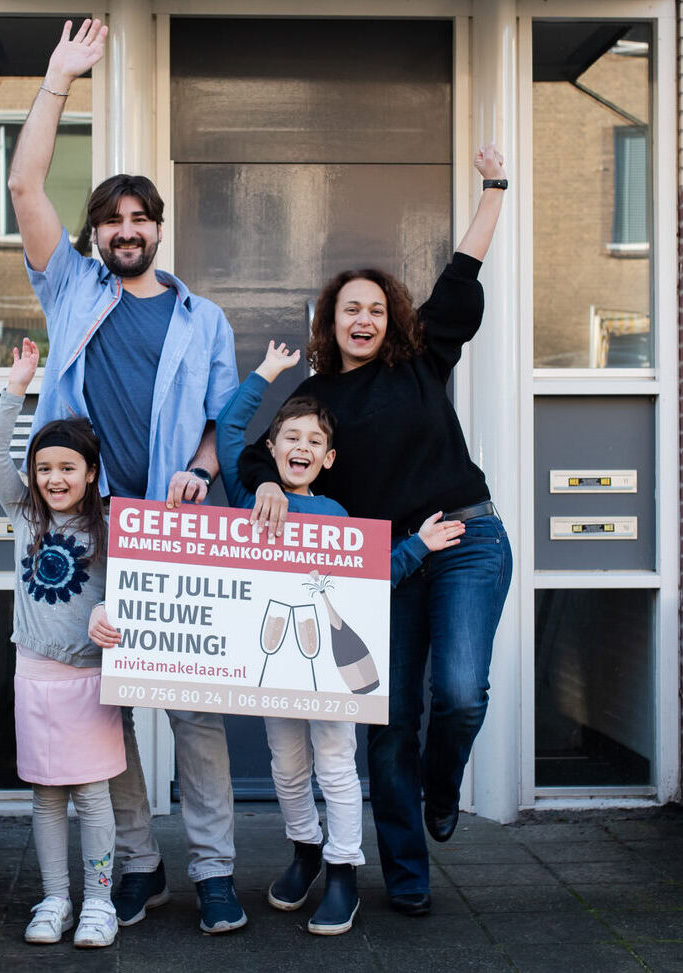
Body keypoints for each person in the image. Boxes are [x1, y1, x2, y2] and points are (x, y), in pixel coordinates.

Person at [9, 19, 244, 935]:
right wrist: (60, 79)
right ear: (95, 235)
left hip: (175, 533)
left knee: (195, 710)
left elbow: (229, 421)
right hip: (91, 531)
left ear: (157, 228)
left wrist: (198, 466)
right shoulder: (68, 289)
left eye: (140, 218)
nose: (126, 230)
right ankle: (138, 863)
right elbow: (26, 181)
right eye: (111, 220)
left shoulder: (203, 318)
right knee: (108, 708)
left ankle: (216, 870)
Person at [237, 146, 513, 918]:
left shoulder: (421, 360)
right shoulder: (316, 399)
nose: (363, 318)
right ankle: (407, 875)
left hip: (465, 541)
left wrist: (494, 186)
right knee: (387, 726)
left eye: (376, 308)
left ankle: (444, 785)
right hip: (383, 565)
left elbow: (463, 271)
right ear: (330, 321)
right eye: (349, 308)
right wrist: (262, 482)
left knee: (458, 694)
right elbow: (262, 451)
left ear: (391, 319)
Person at [212, 340, 465, 935]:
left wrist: (417, 546)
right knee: (286, 765)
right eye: (290, 438)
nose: (300, 448)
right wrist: (267, 373)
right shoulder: (250, 500)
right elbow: (227, 427)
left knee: (336, 766)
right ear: (271, 450)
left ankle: (343, 869)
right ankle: (304, 848)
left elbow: (372, 577)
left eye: (313, 442)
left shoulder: (335, 514)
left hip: (327, 659)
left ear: (328, 459)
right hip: (273, 653)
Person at [0, 337, 124, 949]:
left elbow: (136, 592)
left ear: (90, 472)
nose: (54, 478)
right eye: (44, 469)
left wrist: (113, 615)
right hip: (34, 675)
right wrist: (17, 389)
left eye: (67, 467)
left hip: (89, 678)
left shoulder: (110, 525)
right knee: (45, 797)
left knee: (92, 796)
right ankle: (56, 899)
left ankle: (99, 904)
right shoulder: (26, 514)